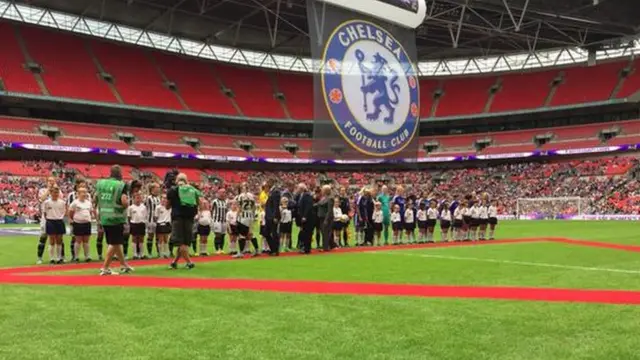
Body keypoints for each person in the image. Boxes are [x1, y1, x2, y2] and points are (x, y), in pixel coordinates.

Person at [95, 165, 133, 275]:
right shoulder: (121, 185)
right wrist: (126, 205)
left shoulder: (101, 183)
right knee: (114, 242)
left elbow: (95, 198)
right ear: (120, 173)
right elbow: (124, 202)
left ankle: (124, 265)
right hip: (116, 217)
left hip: (104, 216)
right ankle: (105, 267)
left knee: (116, 242)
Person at [167, 173, 200, 269]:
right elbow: (198, 202)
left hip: (177, 218)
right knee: (185, 242)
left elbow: (167, 206)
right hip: (189, 218)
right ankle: (174, 262)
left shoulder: (173, 190)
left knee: (180, 242)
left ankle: (189, 262)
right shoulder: (192, 190)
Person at [68, 186, 94, 262]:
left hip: (87, 223)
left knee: (86, 241)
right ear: (78, 194)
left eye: (85, 192)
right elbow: (70, 212)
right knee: (78, 241)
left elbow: (90, 212)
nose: (84, 194)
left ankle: (87, 256)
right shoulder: (75, 202)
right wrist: (72, 220)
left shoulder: (88, 203)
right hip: (78, 223)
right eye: (82, 192)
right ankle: (76, 257)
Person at [36, 176, 57, 264]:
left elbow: (60, 200)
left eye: (53, 181)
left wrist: (55, 190)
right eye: (49, 181)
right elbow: (41, 199)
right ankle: (39, 257)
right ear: (47, 182)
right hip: (45, 217)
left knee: (58, 237)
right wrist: (49, 190)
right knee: (43, 237)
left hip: (56, 217)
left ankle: (59, 257)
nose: (51, 182)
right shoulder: (42, 190)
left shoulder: (58, 190)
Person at [43, 186, 67, 264]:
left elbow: (64, 212)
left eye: (57, 192)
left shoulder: (62, 202)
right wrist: (49, 219)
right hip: (50, 221)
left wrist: (59, 217)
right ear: (51, 193)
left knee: (59, 240)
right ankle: (52, 258)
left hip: (59, 221)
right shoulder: (47, 202)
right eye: (54, 192)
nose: (55, 194)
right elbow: (45, 213)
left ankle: (59, 257)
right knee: (52, 240)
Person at [235, 183, 259, 258]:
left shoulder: (240, 196)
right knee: (250, 233)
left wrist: (236, 217)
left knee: (241, 235)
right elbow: (254, 207)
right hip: (250, 216)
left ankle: (241, 252)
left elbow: (239, 208)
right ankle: (257, 250)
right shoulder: (251, 196)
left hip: (243, 217)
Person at [66, 177, 87, 262]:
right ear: (77, 186)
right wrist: (70, 218)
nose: (83, 188)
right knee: (74, 238)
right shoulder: (71, 195)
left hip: (85, 220)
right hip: (74, 219)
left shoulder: (87, 195)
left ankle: (86, 256)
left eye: (84, 186)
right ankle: (74, 256)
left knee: (85, 238)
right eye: (81, 186)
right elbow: (68, 207)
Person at [264, 178, 282, 256]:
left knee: (274, 233)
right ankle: (273, 249)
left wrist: (275, 216)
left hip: (272, 216)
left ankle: (275, 250)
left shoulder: (276, 192)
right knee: (266, 233)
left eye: (268, 182)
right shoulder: (272, 191)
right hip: (268, 216)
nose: (267, 184)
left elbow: (276, 205)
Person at [128, 192, 148, 260]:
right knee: (134, 239)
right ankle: (135, 254)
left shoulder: (143, 207)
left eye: (139, 198)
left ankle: (141, 254)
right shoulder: (131, 207)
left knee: (141, 239)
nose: (138, 199)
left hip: (141, 223)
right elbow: (129, 217)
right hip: (134, 223)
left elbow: (145, 216)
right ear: (133, 199)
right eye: (137, 198)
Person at [296, 183, 314, 254]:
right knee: (304, 233)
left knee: (307, 233)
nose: (297, 189)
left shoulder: (307, 195)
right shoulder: (301, 195)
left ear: (301, 189)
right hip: (303, 218)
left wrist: (304, 216)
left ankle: (307, 249)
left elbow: (308, 207)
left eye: (298, 188)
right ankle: (304, 248)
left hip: (308, 218)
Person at [144, 182, 161, 258]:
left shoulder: (159, 198)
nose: (158, 189)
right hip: (150, 220)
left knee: (158, 237)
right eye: (157, 188)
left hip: (159, 220)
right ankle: (150, 253)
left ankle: (159, 252)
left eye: (158, 188)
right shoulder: (148, 198)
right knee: (150, 236)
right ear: (152, 189)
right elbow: (145, 208)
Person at [211, 188, 227, 255]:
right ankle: (217, 249)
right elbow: (211, 210)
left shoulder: (225, 202)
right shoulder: (215, 201)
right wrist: (212, 220)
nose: (223, 194)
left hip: (223, 221)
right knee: (218, 235)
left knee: (223, 235)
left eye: (224, 192)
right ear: (218, 193)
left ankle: (221, 249)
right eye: (222, 192)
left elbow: (226, 211)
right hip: (216, 220)